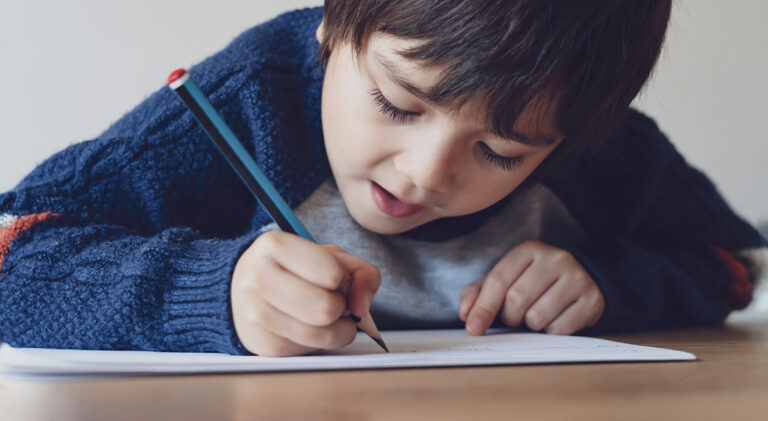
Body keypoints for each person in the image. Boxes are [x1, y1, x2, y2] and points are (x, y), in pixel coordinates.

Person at [0, 1, 764, 357]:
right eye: (397, 103)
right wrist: (212, 291)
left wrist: (612, 284)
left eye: (500, 153)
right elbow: (11, 254)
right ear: (337, 27)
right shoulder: (249, 104)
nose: (425, 171)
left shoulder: (602, 149)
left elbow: (737, 266)